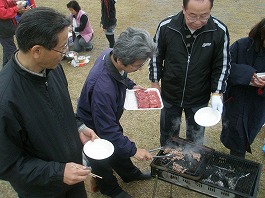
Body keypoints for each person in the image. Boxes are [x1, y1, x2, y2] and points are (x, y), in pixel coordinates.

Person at [0, 7, 99, 197]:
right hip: (43, 190)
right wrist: (57, 173)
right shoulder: (6, 99)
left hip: (73, 177)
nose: (66, 52)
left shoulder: (52, 69)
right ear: (36, 50)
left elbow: (59, 109)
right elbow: (7, 164)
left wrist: (78, 127)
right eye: (62, 47)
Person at [76, 27, 156, 198]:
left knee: (117, 144)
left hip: (106, 115)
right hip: (92, 126)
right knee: (101, 156)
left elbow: (122, 75)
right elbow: (107, 130)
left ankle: (129, 174)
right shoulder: (103, 88)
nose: (140, 68)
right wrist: (134, 150)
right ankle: (109, 188)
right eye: (137, 66)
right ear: (121, 59)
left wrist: (131, 85)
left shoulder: (110, 53)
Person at [149, 0, 231, 146]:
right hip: (170, 92)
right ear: (183, 9)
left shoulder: (219, 31)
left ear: (211, 10)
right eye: (192, 15)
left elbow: (222, 64)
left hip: (199, 94)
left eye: (204, 15)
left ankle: (192, 163)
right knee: (168, 135)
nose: (198, 21)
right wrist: (155, 82)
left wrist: (217, 93)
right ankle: (166, 161)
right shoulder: (167, 27)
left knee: (195, 137)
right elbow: (156, 56)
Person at [221, 18, 265, 159]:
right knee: (235, 133)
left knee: (249, 130)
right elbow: (225, 68)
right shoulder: (242, 45)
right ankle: (236, 160)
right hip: (236, 99)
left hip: (258, 103)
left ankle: (237, 162)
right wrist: (247, 75)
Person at [0, 0, 26, 67]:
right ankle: (15, 68)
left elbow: (6, 5)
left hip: (6, 30)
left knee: (7, 50)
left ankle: (5, 69)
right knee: (11, 50)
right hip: (3, 30)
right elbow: (2, 13)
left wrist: (14, 2)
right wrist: (16, 8)